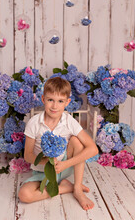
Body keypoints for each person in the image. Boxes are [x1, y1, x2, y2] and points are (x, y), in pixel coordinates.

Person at [18, 77, 99, 210]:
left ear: (67, 102)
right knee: (24, 195)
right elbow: (27, 155)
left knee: (76, 141)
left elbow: (93, 149)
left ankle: (77, 188)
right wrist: (47, 162)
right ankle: (64, 188)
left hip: (65, 168)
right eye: (50, 100)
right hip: (42, 172)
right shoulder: (34, 123)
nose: (54, 106)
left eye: (60, 101)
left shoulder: (68, 121)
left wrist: (65, 164)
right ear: (43, 99)